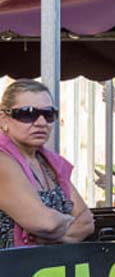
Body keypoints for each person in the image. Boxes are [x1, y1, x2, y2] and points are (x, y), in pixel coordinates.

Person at [0, 80, 94, 248]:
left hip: (47, 270)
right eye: (28, 113)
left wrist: (46, 235)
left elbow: (87, 223)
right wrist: (68, 223)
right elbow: (45, 223)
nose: (41, 122)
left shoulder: (48, 163)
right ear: (3, 119)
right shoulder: (2, 160)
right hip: (10, 271)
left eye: (49, 114)